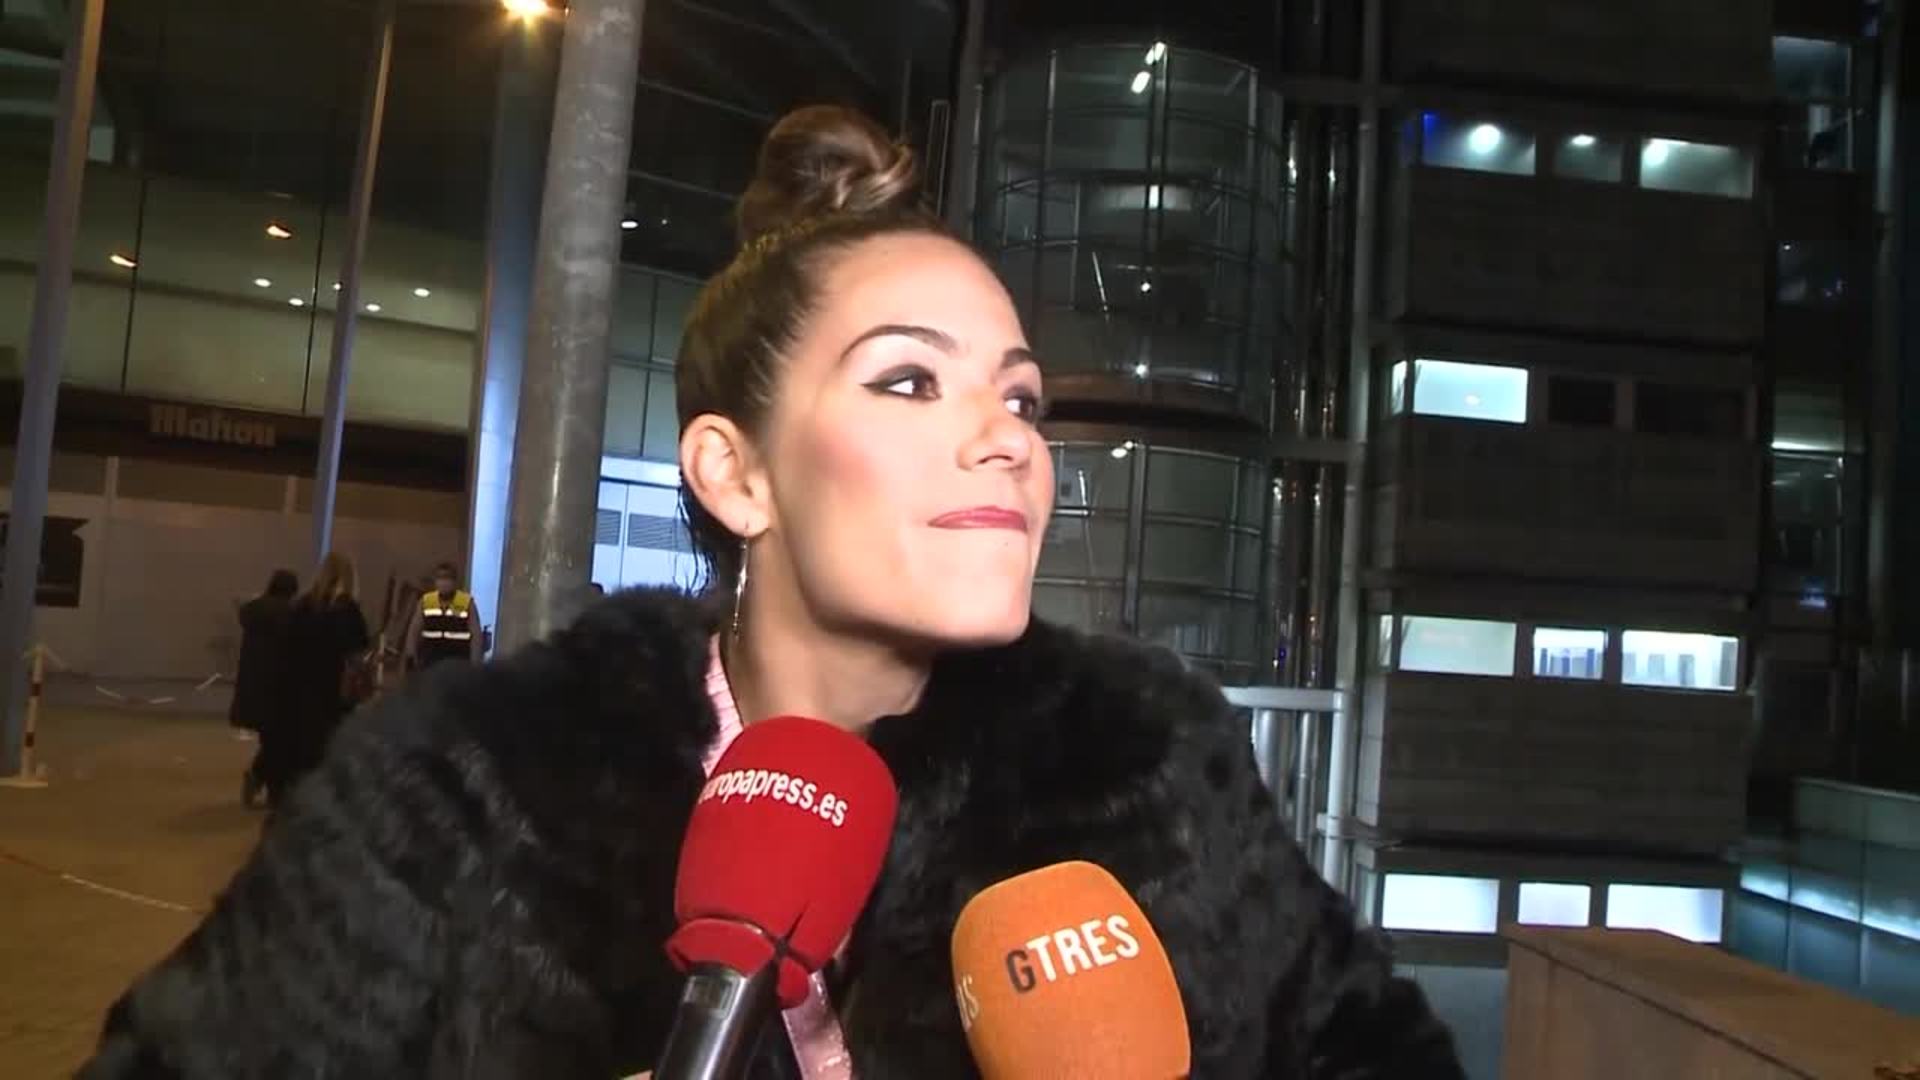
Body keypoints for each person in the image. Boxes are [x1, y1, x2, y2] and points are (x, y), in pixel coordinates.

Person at [82, 106, 1462, 1078]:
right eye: (910, 380)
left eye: (1023, 397)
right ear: (735, 473)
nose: (1008, 439)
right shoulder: (470, 799)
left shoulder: (1152, 766)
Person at [265, 552, 368, 811]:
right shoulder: (347, 610)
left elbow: (286, 644)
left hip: (297, 687)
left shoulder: (302, 605)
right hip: (332, 689)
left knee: (300, 745)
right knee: (328, 745)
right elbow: (357, 650)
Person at [229, 569, 297, 809]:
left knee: (272, 741)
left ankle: (260, 779)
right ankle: (269, 787)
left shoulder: (253, 612)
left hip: (252, 688)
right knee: (279, 741)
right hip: (277, 688)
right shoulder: (288, 614)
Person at [402, 560, 483, 671]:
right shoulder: (426, 601)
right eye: (440, 578)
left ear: (454, 581)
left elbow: (476, 635)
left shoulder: (466, 602)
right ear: (435, 581)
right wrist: (411, 655)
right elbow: (414, 631)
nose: (444, 582)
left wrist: (475, 664)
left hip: (458, 660)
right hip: (430, 659)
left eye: (447, 578)